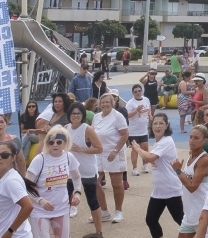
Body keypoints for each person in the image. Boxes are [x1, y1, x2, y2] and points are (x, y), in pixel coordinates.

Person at [133, 112, 184, 238]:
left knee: (182, 221)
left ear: (167, 126)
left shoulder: (166, 141)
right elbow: (154, 160)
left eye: (161, 123)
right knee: (151, 220)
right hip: (159, 191)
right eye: (155, 123)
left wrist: (138, 148)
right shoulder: (158, 143)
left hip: (171, 189)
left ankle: (203, 234)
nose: (158, 126)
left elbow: (150, 158)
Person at [26, 126, 83, 238]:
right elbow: (26, 186)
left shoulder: (68, 157)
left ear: (65, 142)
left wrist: (77, 192)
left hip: (62, 210)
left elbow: (76, 177)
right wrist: (40, 200)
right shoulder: (39, 159)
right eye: (51, 142)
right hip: (40, 211)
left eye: (59, 142)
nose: (55, 145)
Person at [64, 104, 105, 234]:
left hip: (87, 171)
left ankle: (99, 232)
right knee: (65, 201)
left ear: (83, 115)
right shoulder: (66, 128)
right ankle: (64, 232)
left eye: (78, 113)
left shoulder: (87, 129)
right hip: (70, 172)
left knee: (92, 200)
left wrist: (81, 149)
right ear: (69, 115)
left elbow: (99, 148)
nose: (75, 116)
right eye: (73, 113)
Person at [91, 93, 131, 223]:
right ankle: (104, 211)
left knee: (116, 184)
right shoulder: (96, 117)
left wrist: (115, 150)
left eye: (107, 102)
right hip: (99, 153)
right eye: (103, 102)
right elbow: (92, 134)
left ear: (112, 103)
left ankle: (118, 211)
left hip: (114, 152)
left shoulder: (117, 116)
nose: (105, 104)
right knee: (95, 183)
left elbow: (125, 135)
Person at [0, 142, 37, 238]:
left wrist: (10, 231)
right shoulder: (2, 178)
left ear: (13, 158)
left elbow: (28, 206)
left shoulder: (10, 181)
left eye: (5, 155)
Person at [126, 85, 153, 176]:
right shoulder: (130, 103)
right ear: (133, 93)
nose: (137, 93)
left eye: (139, 91)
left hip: (143, 129)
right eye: (135, 91)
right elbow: (128, 115)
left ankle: (145, 164)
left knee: (145, 147)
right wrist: (136, 110)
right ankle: (134, 168)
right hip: (133, 130)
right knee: (135, 149)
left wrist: (150, 115)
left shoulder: (146, 100)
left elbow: (148, 109)